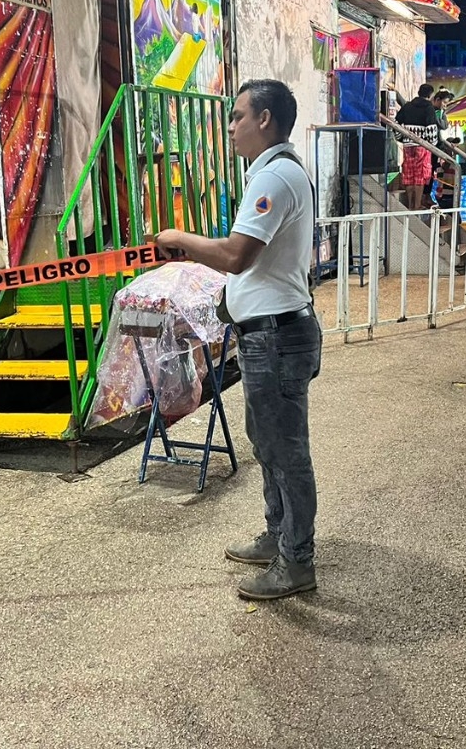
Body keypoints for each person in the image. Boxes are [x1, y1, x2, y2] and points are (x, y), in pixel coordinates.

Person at [155, 80, 321, 602]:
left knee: (285, 449)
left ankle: (297, 561)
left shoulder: (276, 176)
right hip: (266, 334)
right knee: (268, 441)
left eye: (238, 116)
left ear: (265, 119)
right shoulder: (271, 174)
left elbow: (235, 255)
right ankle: (278, 534)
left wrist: (179, 239)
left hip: (276, 338)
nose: (230, 127)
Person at [394, 83, 441, 210]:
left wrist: (401, 138)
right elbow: (431, 128)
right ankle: (417, 205)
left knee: (409, 175)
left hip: (408, 145)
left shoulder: (408, 106)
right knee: (420, 177)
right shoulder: (428, 108)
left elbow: (396, 123)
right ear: (430, 95)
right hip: (422, 146)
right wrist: (432, 144)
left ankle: (410, 205)